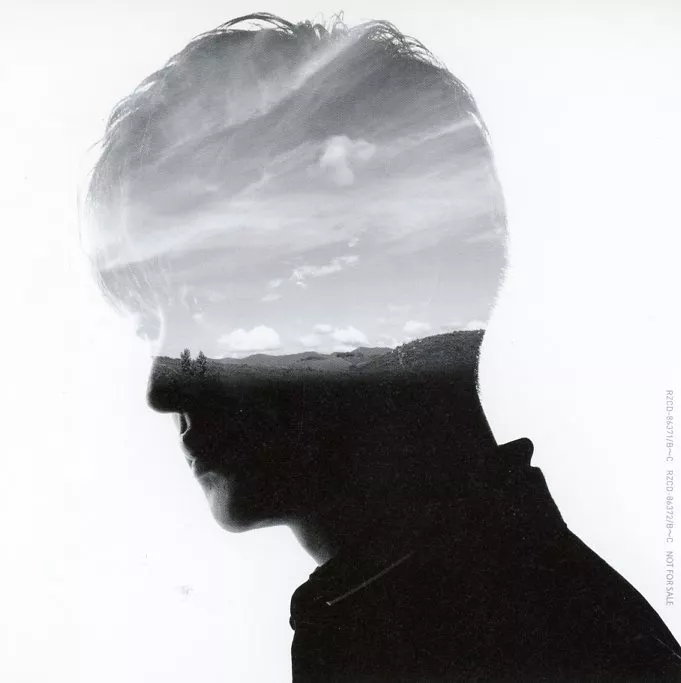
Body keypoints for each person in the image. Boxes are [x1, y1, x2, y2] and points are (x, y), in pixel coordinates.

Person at [82, 12, 681, 682]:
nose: (164, 390)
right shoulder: (511, 615)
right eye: (153, 326)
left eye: (209, 309)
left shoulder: (522, 647)